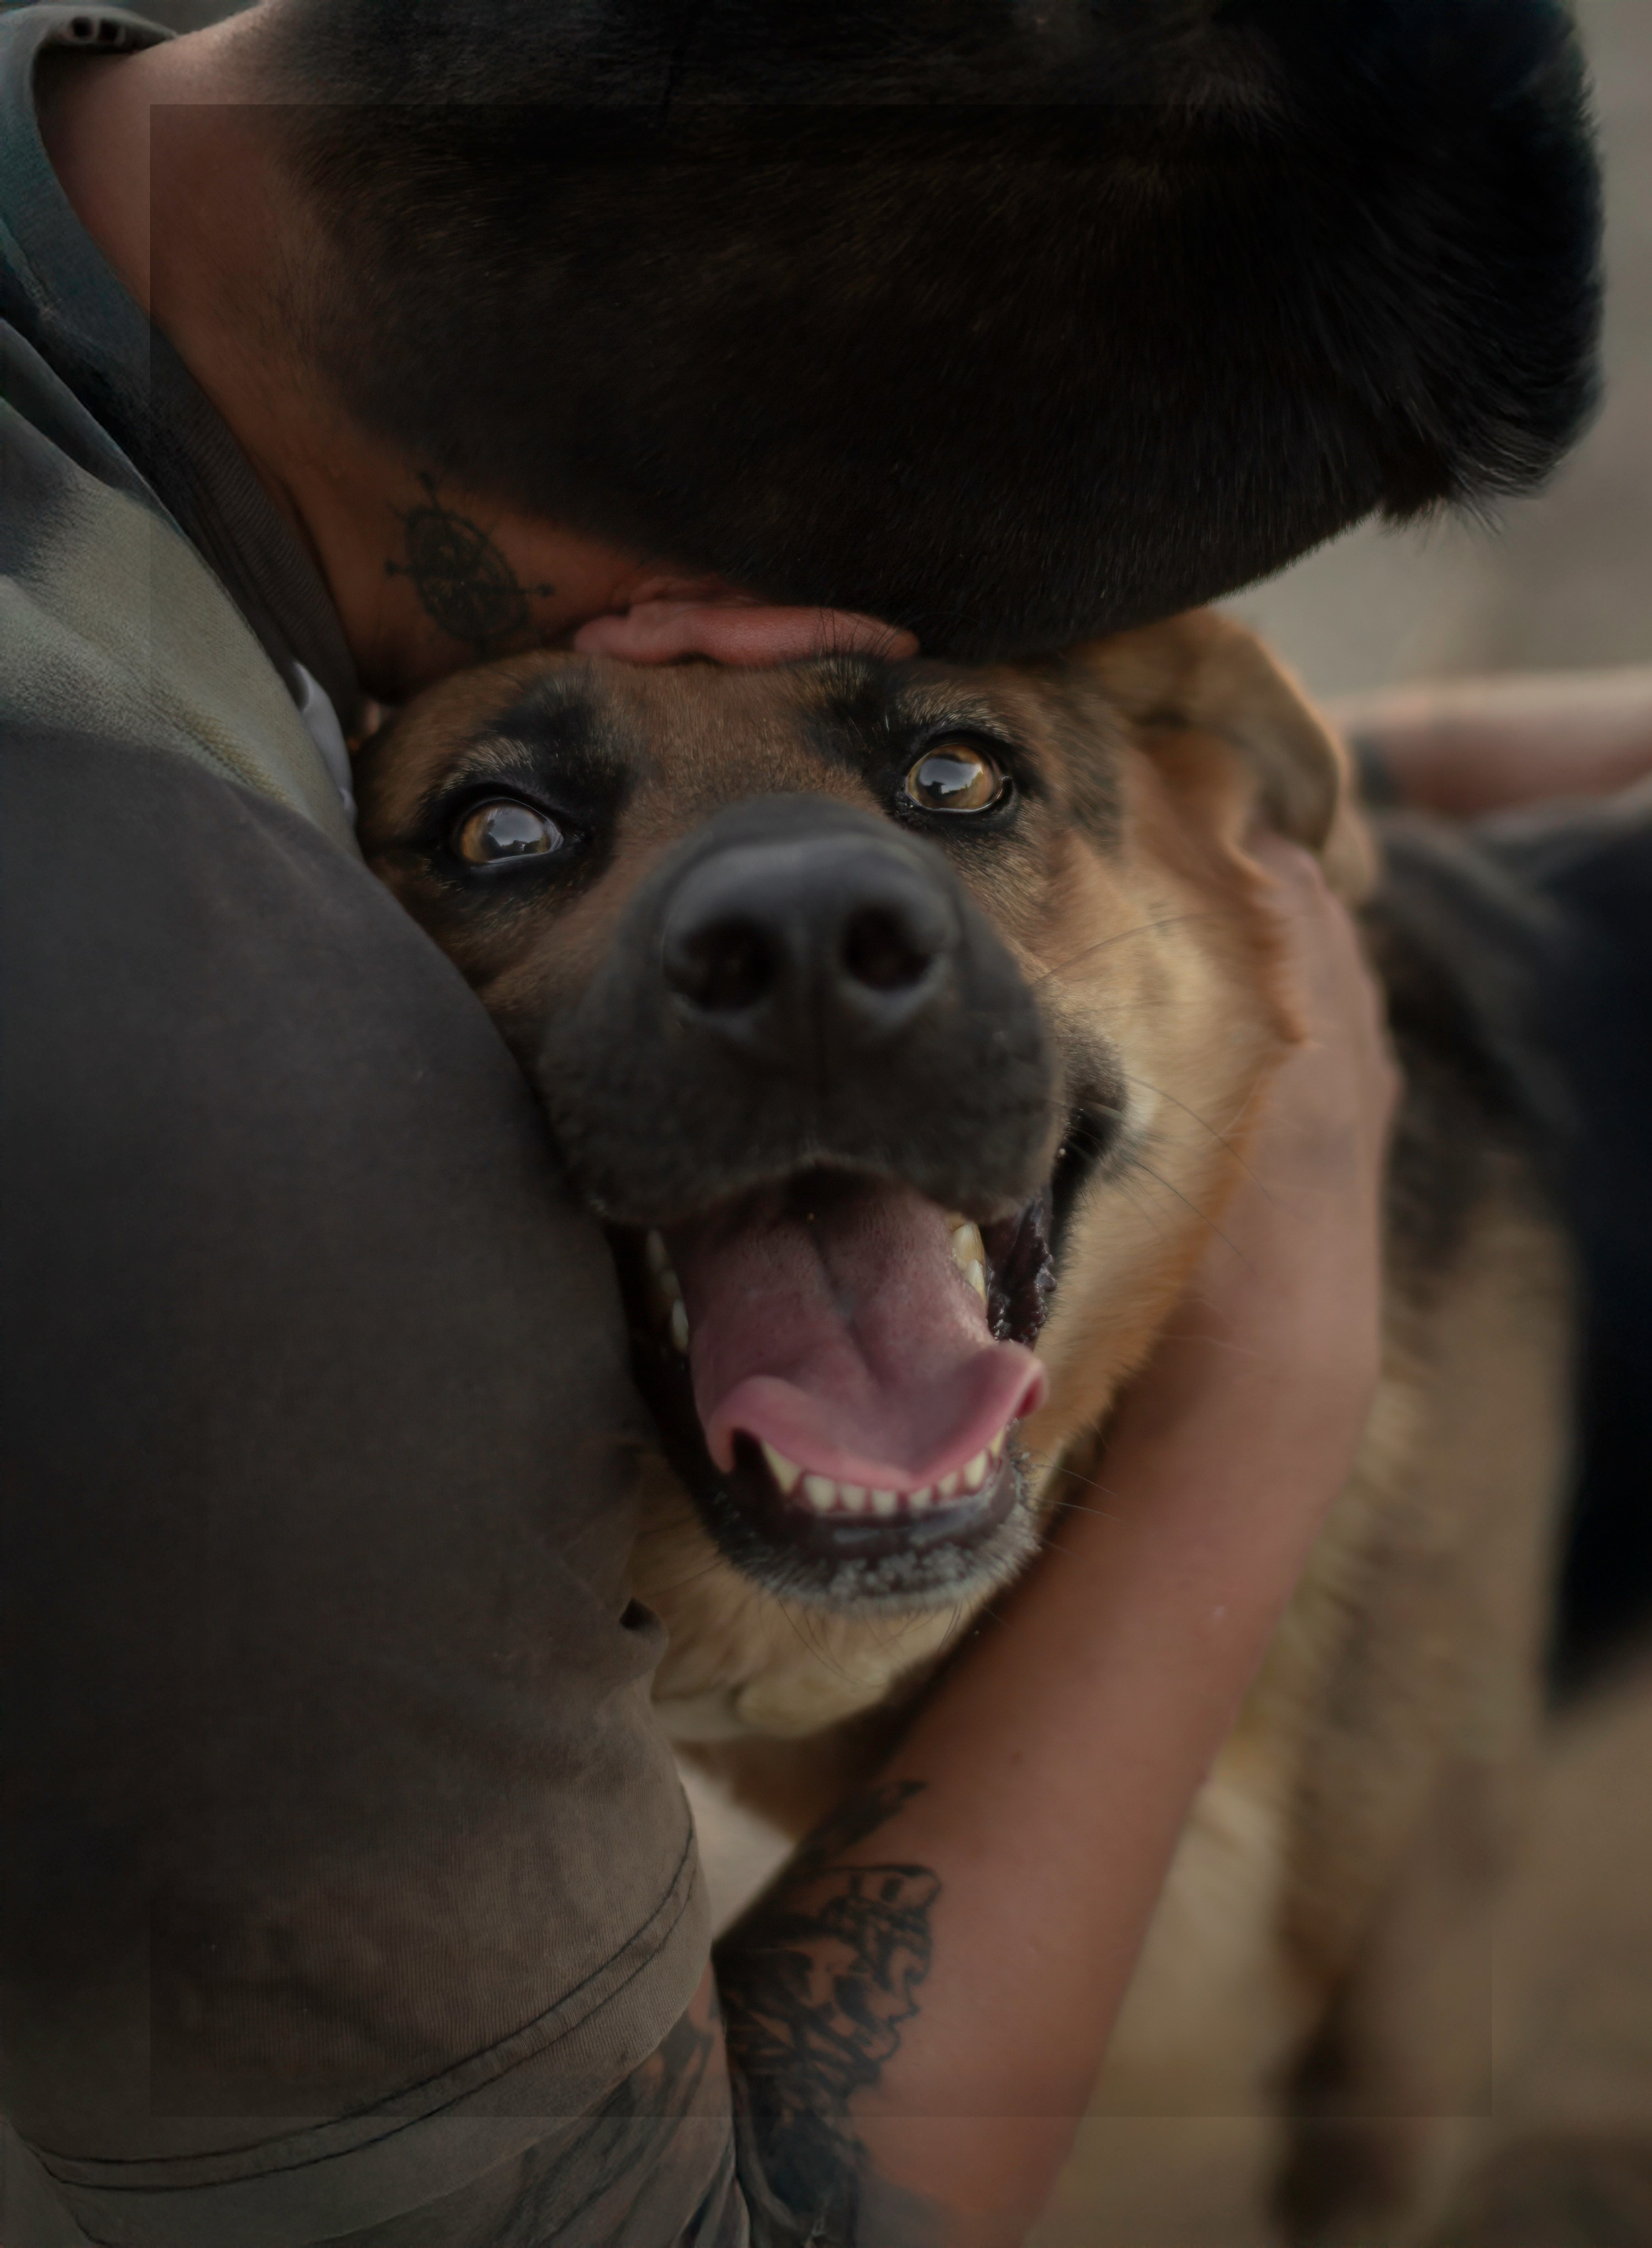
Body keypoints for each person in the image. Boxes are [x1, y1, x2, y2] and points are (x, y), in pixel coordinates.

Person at [0, 3, 1602, 2242]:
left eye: (938, 771)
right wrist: (1280, 1368)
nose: (813, 890)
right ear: (726, 592)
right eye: (513, 807)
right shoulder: (231, 1122)